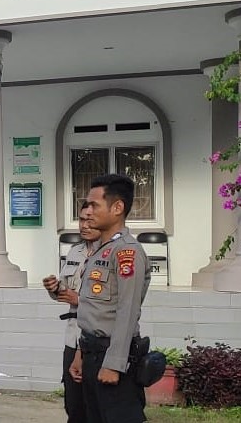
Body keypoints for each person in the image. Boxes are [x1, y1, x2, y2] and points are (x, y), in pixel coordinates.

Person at [69, 174, 151, 423]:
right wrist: (81, 353)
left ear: (117, 208)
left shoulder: (127, 252)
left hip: (113, 357)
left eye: (95, 205)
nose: (88, 211)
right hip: (92, 353)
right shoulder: (101, 250)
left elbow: (127, 310)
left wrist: (114, 363)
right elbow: (94, 312)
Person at [42, 202, 100, 423]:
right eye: (81, 220)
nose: (84, 225)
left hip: (97, 338)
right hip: (72, 336)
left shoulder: (110, 252)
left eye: (90, 220)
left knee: (94, 405)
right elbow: (66, 292)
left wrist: (80, 299)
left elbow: (112, 301)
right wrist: (55, 289)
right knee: (73, 404)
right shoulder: (75, 251)